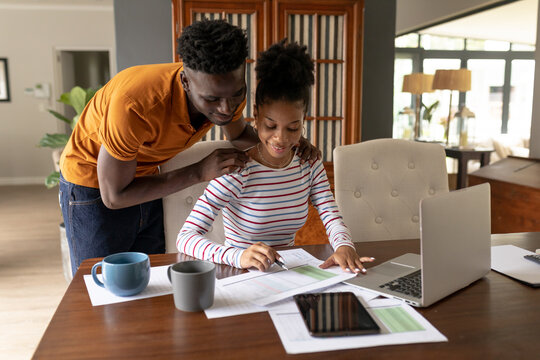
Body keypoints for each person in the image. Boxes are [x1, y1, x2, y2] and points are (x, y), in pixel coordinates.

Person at [59, 20, 318, 275]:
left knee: (154, 280)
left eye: (236, 95)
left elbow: (239, 135)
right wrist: (198, 172)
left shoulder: (226, 89)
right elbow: (114, 196)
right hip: (93, 183)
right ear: (185, 82)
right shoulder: (135, 104)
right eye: (212, 99)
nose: (226, 109)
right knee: (98, 284)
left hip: (148, 178)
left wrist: (286, 141)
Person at [177, 40, 373, 273]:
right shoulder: (237, 170)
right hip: (239, 275)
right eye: (271, 126)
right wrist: (237, 256)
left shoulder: (308, 164)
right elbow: (186, 237)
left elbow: (330, 214)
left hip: (288, 273)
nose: (281, 139)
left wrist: (343, 245)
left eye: (292, 128)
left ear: (303, 121)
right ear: (257, 117)